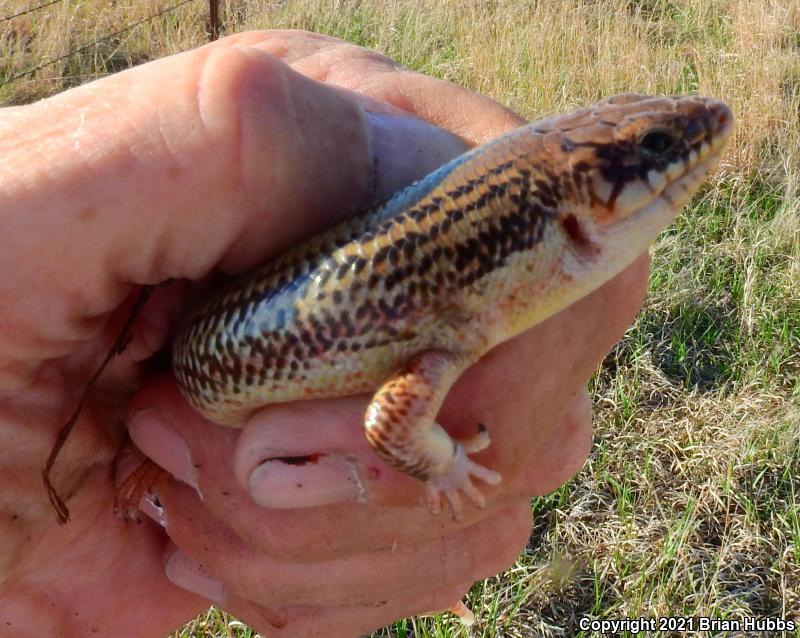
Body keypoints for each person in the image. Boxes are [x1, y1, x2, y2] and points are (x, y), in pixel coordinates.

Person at [0, 30, 648, 637]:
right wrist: (445, 469)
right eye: (648, 150)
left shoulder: (462, 304)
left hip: (187, 386)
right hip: (191, 378)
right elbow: (391, 425)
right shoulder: (458, 316)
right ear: (569, 219)